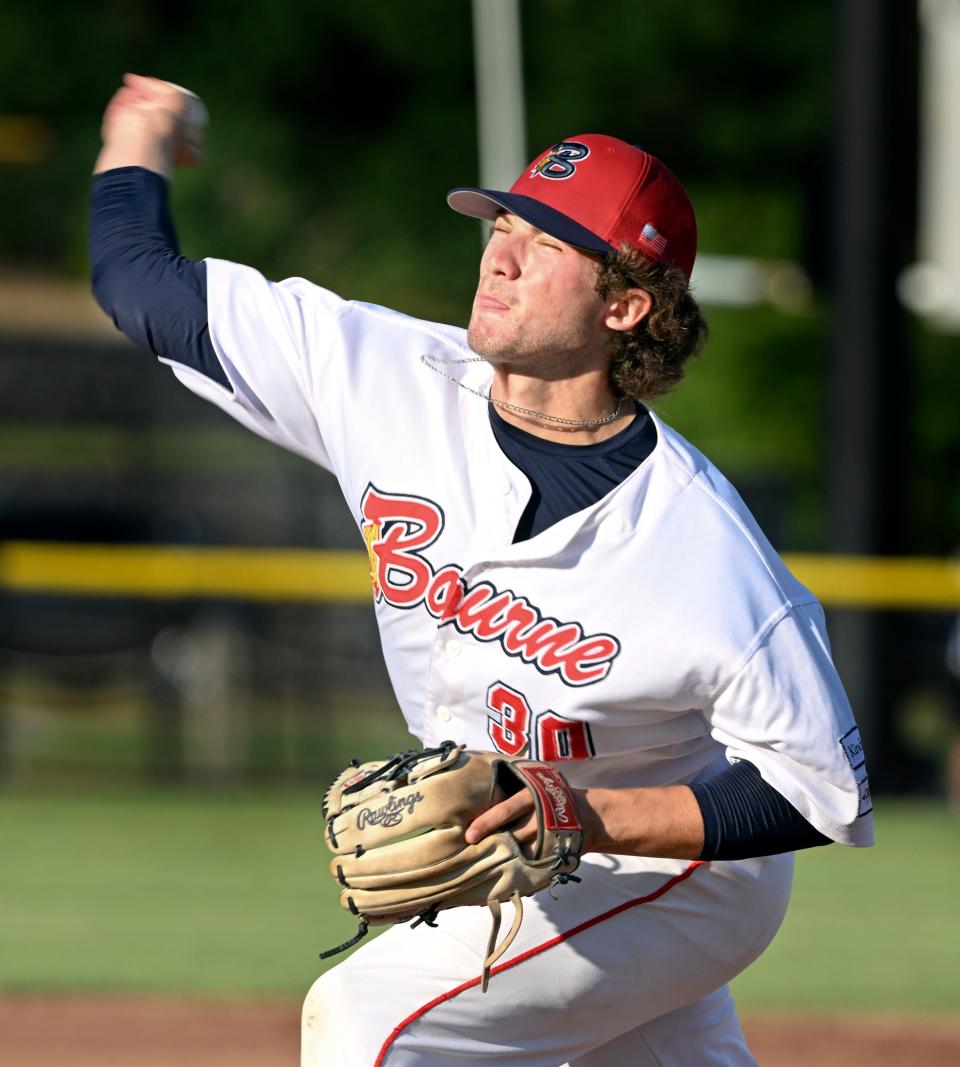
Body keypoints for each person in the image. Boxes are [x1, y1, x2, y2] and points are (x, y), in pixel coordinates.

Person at [90, 74, 874, 1067]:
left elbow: (817, 791)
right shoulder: (383, 377)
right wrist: (139, 132)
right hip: (531, 839)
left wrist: (582, 814)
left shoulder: (701, 550)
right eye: (504, 223)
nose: (499, 254)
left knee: (368, 1019)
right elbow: (141, 286)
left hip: (679, 868)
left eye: (547, 243)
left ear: (627, 304)